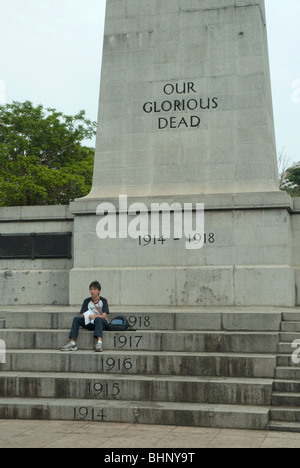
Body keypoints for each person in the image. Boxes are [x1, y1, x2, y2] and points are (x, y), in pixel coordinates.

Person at [61, 281, 110, 353]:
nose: (92, 291)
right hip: (90, 323)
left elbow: (104, 316)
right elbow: (84, 313)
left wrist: (95, 316)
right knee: (76, 319)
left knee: (98, 319)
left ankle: (99, 343)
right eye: (91, 289)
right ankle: (72, 343)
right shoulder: (87, 301)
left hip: (101, 323)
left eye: (94, 289)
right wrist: (85, 315)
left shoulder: (103, 300)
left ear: (99, 291)